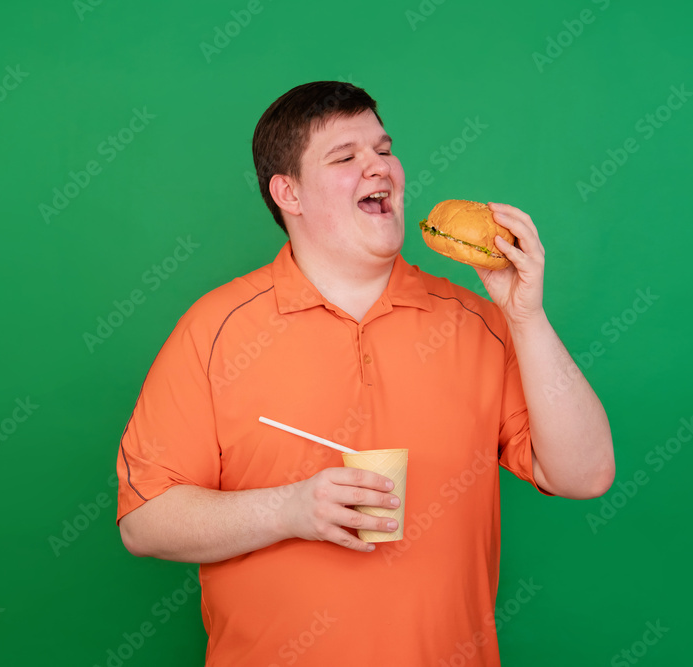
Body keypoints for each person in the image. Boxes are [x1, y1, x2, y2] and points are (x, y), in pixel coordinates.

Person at [116, 80, 614, 666]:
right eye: (346, 157)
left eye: (383, 149)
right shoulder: (214, 330)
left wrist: (526, 317)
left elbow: (585, 475)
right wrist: (291, 510)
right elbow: (145, 521)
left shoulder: (478, 322)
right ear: (289, 193)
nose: (379, 168)